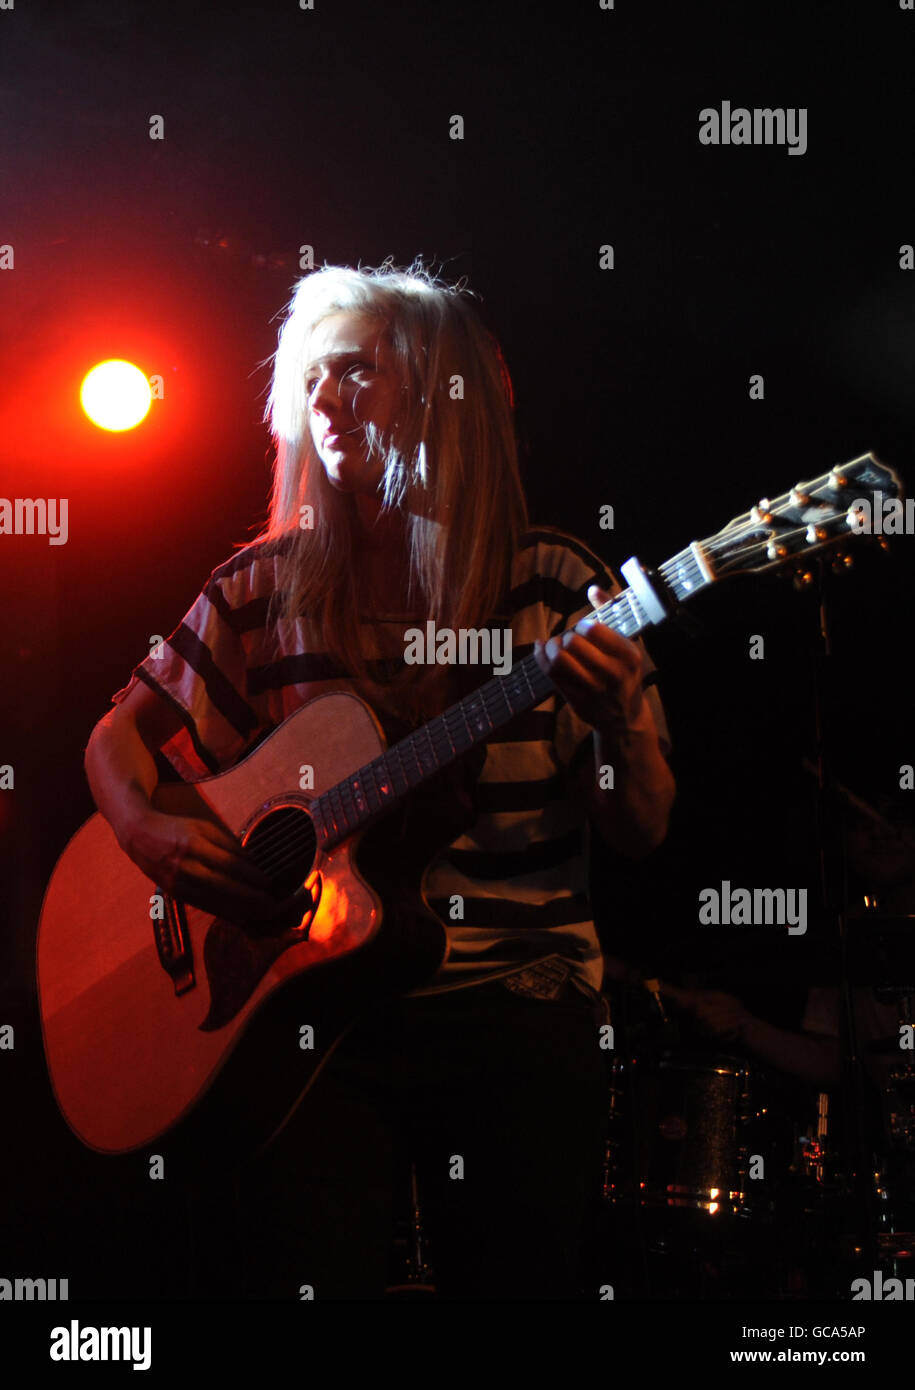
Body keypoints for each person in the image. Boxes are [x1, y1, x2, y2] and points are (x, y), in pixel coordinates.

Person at [83, 258, 675, 1299]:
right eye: (310, 379)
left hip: (517, 1006)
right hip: (317, 1025)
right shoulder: (263, 587)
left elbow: (643, 828)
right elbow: (113, 745)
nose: (323, 398)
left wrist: (624, 718)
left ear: (439, 386)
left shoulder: (549, 582)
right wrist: (147, 832)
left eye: (353, 371)